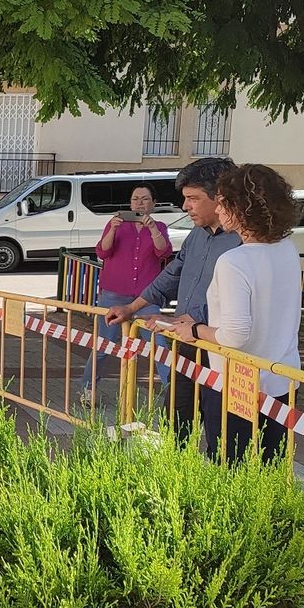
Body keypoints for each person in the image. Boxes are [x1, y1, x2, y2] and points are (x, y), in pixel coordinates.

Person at [167, 164, 302, 463]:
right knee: (272, 466)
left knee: (230, 467)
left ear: (241, 208)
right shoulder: (288, 250)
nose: (219, 209)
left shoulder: (235, 261)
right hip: (282, 379)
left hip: (236, 383)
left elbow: (234, 335)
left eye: (224, 201)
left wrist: (195, 330)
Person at [105, 157, 241, 426]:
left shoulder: (243, 241)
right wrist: (132, 308)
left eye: (193, 198)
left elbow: (235, 300)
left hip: (220, 347)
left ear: (220, 197)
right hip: (186, 341)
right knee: (176, 419)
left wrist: (194, 321)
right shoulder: (197, 234)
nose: (185, 206)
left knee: (220, 429)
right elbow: (173, 273)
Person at [78, 183, 172, 405]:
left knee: (160, 346)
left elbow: (164, 251)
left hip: (146, 298)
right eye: (135, 199)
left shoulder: (159, 226)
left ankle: (173, 396)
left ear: (153, 204)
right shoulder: (117, 225)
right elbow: (103, 251)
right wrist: (111, 228)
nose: (139, 203)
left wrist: (153, 230)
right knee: (103, 345)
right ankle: (87, 389)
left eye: (145, 199)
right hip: (114, 294)